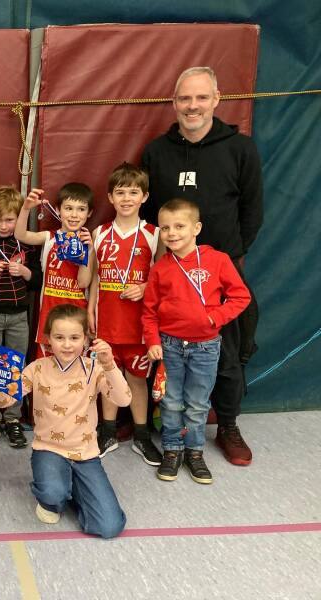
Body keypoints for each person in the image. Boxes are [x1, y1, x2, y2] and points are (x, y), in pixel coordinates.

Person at [141, 66, 263, 466]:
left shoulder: (240, 149)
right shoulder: (157, 152)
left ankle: (227, 424)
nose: (192, 106)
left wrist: (226, 256)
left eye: (201, 97)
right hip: (170, 272)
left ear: (216, 100)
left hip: (218, 273)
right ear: (174, 103)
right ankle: (152, 421)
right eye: (184, 98)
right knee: (166, 351)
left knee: (226, 354)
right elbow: (147, 213)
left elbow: (253, 210)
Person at [0, 304, 129, 538]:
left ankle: (71, 486)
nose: (67, 344)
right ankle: (56, 491)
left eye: (74, 338)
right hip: (48, 449)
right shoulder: (37, 368)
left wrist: (110, 364)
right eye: (59, 337)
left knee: (110, 526)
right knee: (52, 496)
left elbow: (123, 399)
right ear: (48, 339)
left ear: (86, 339)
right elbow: (3, 402)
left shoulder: (95, 368)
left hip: (85, 454)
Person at [143, 199, 251, 483]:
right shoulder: (160, 268)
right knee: (170, 401)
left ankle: (194, 451)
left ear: (197, 228)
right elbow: (149, 311)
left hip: (206, 347)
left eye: (179, 226)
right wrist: (152, 340)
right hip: (169, 346)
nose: (172, 233)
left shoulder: (218, 260)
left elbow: (241, 296)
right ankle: (172, 449)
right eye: (165, 228)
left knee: (198, 403)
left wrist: (216, 317)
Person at [88, 162, 163, 467]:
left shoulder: (153, 234)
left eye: (133, 192)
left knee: (136, 380)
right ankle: (107, 432)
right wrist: (89, 310)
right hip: (106, 319)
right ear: (110, 197)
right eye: (120, 192)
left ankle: (142, 436)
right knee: (108, 377)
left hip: (137, 324)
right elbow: (94, 277)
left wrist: (145, 287)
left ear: (144, 196)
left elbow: (162, 276)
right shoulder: (100, 233)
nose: (127, 198)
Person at [0, 184, 40, 449]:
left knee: (16, 367)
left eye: (10, 220)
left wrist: (24, 272)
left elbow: (37, 280)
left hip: (18, 316)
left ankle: (13, 418)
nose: (4, 226)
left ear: (18, 218)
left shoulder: (26, 245)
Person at [15, 183, 93, 359]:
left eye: (81, 209)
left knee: (75, 369)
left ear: (89, 213)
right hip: (49, 316)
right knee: (46, 367)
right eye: (68, 208)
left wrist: (87, 252)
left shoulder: (88, 243)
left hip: (76, 317)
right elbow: (20, 235)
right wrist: (26, 208)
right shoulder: (50, 237)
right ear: (58, 210)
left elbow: (83, 282)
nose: (74, 215)